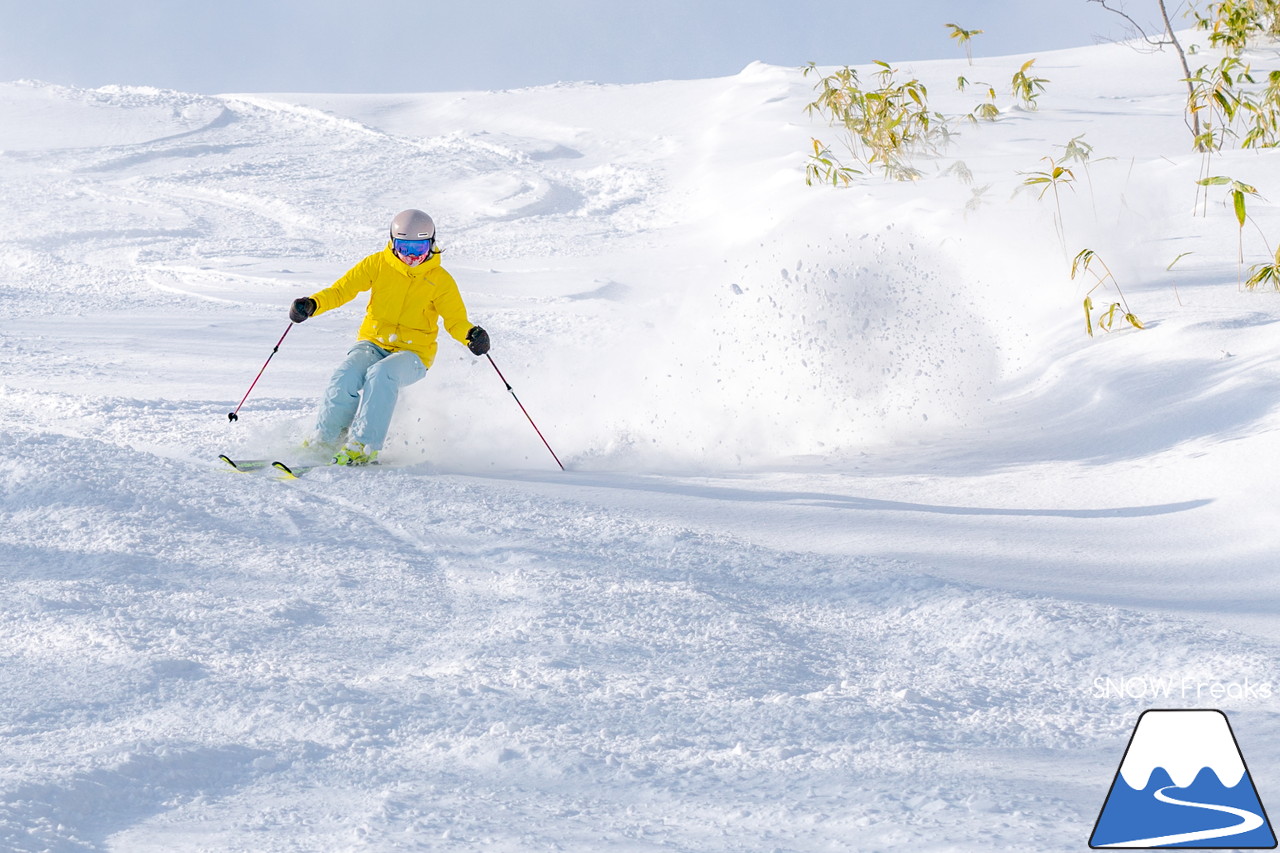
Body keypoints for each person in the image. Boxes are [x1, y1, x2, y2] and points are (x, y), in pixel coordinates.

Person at [288, 208, 490, 465]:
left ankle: (363, 446)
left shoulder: (440, 281)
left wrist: (471, 334)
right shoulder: (377, 264)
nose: (412, 257)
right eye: (405, 247)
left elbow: (455, 320)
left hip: (414, 354)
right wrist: (313, 304)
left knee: (381, 375)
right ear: (393, 243)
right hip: (373, 343)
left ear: (432, 243)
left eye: (420, 248)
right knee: (345, 376)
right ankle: (325, 441)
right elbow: (342, 290)